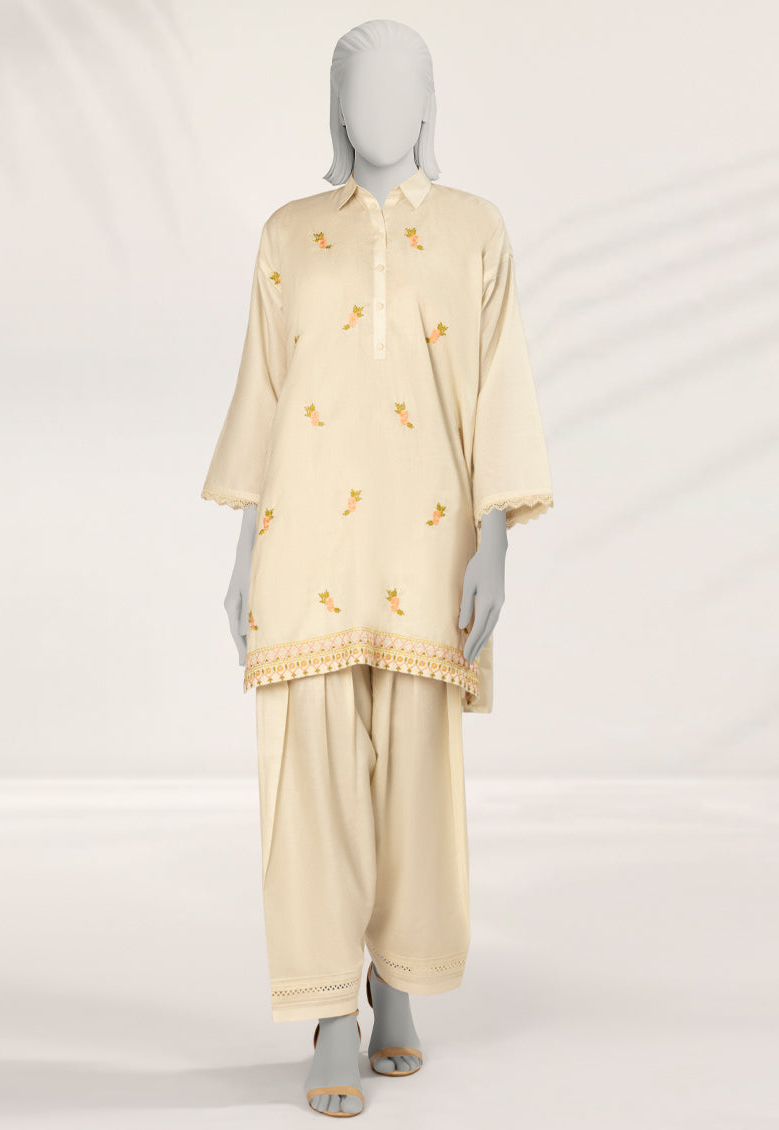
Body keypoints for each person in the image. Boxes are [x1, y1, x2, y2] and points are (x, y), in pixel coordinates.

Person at [201, 19, 554, 1119]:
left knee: (415, 780)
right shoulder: (289, 233)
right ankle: (329, 1015)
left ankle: (396, 983)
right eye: (362, 89)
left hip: (430, 545)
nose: (382, 110)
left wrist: (497, 540)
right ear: (335, 107)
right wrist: (241, 550)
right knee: (309, 784)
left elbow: (500, 388)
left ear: (431, 105)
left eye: (404, 89)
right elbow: (263, 394)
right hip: (302, 543)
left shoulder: (476, 230)